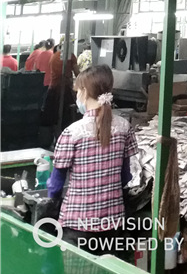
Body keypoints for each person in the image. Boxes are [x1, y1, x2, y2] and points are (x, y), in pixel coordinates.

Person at [47, 64, 138, 255]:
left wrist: (51, 204)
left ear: (85, 91)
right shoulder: (124, 127)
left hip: (77, 224)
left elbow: (56, 185)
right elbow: (126, 176)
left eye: (78, 91)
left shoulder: (72, 133)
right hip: (113, 223)